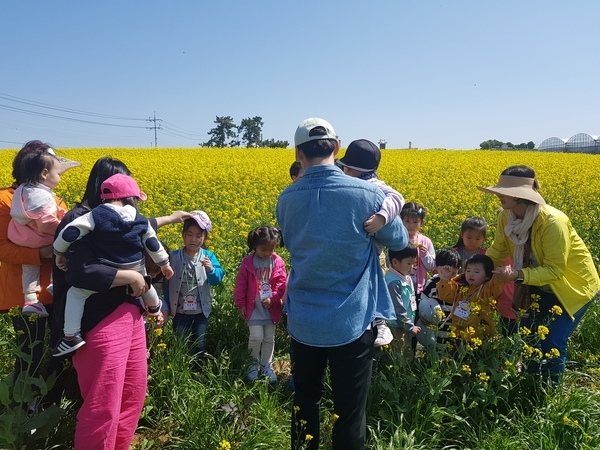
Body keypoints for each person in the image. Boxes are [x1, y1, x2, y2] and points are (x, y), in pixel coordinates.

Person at [276, 117, 408, 450]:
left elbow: (291, 241)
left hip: (304, 320)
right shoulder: (368, 194)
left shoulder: (286, 198)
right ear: (337, 148)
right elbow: (399, 240)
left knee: (305, 399)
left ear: (298, 153)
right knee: (350, 410)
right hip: (352, 320)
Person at [50, 156, 190, 450]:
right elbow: (81, 271)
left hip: (132, 318)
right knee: (103, 406)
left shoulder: (124, 220)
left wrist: (172, 219)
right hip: (97, 321)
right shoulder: (80, 219)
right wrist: (132, 278)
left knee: (132, 398)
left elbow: (146, 228)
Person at [478, 165, 600, 380]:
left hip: (571, 287)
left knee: (552, 341)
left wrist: (516, 275)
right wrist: (479, 269)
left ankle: (548, 395)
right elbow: (499, 249)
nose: (497, 195)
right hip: (535, 283)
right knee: (531, 338)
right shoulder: (506, 217)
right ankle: (531, 384)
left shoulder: (553, 222)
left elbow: (555, 270)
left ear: (520, 196)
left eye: (503, 191)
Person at [53, 173, 174, 356]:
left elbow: (70, 233)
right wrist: (164, 263)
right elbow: (152, 243)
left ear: (104, 197)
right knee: (144, 281)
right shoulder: (140, 219)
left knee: (75, 293)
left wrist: (59, 252)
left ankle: (71, 336)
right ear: (132, 198)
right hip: (136, 265)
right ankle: (154, 306)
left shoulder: (95, 215)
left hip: (110, 269)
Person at [0, 141, 78, 386]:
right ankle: (22, 410)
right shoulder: (4, 199)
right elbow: (3, 248)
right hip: (23, 297)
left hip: (58, 291)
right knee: (29, 355)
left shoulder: (53, 197)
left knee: (60, 352)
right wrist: (44, 253)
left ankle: (53, 406)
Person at [336, 139, 406, 348]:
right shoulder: (353, 183)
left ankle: (381, 322)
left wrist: (382, 218)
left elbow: (397, 197)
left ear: (349, 168)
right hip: (357, 248)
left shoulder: (374, 186)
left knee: (374, 283)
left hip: (373, 250)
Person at [7, 148, 69, 317]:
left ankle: (31, 300)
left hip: (21, 237)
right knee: (62, 245)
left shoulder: (22, 191)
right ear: (44, 173)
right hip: (38, 238)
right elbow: (46, 223)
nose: (60, 176)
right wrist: (65, 229)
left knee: (29, 269)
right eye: (58, 172)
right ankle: (53, 282)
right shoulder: (42, 196)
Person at [167, 210, 225, 371]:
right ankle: (180, 370)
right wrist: (165, 306)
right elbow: (166, 283)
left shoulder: (208, 256)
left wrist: (211, 270)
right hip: (179, 311)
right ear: (183, 235)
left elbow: (217, 280)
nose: (193, 239)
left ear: (204, 237)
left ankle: (197, 372)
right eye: (190, 234)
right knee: (180, 342)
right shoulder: (173, 256)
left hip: (201, 311)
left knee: (200, 344)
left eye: (198, 235)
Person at [234, 225, 287, 383]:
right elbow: (241, 284)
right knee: (256, 337)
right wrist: (240, 304)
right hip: (253, 308)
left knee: (269, 338)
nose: (268, 253)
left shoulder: (277, 261)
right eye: (264, 249)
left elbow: (282, 283)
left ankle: (266, 365)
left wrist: (274, 299)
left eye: (271, 249)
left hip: (271, 308)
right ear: (254, 246)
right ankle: (252, 364)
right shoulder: (248, 262)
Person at [437, 254, 506, 341]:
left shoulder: (486, 290)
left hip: (479, 338)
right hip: (457, 336)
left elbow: (495, 286)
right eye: (468, 271)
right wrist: (445, 279)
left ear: (488, 276)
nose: (471, 274)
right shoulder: (460, 286)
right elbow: (444, 296)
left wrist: (500, 277)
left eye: (476, 272)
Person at [416, 248, 460, 351]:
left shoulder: (459, 284)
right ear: (436, 267)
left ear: (458, 269)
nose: (447, 273)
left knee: (451, 348)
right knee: (434, 347)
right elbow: (423, 301)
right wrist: (422, 315)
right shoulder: (432, 282)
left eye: (452, 271)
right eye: (443, 269)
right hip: (435, 325)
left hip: (452, 324)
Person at [385, 244, 421, 357]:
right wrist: (410, 327)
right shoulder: (393, 282)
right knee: (398, 356)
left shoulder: (404, 276)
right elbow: (398, 308)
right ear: (395, 262)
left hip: (404, 324)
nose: (412, 267)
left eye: (414, 263)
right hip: (397, 326)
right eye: (409, 263)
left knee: (406, 352)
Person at [400, 202, 435, 296]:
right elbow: (389, 262)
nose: (411, 225)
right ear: (401, 221)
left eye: (415, 222)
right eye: (407, 221)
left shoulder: (426, 242)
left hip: (419, 287)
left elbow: (431, 266)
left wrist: (425, 255)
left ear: (422, 222)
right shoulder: (398, 239)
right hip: (400, 284)